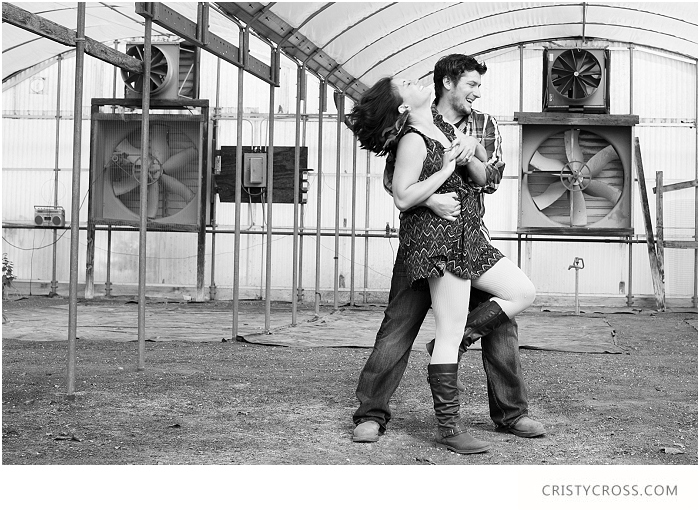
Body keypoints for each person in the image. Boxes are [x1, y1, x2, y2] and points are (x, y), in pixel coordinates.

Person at [349, 54, 545, 453]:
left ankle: (510, 412)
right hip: (427, 243)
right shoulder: (413, 128)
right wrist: (433, 199)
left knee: (500, 323)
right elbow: (398, 185)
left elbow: (490, 179)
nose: (476, 92)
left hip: (471, 237)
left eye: (478, 86)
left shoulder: (482, 125)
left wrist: (472, 152)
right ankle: (371, 413)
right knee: (397, 328)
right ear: (448, 83)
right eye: (471, 84)